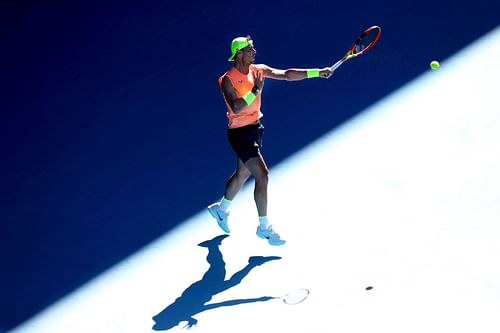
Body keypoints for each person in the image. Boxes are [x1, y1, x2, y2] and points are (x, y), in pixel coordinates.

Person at [208, 35, 332, 246]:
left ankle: (220, 209)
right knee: (262, 176)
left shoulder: (258, 70)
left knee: (242, 173)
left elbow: (285, 75)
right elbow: (237, 107)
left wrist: (317, 73)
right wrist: (256, 89)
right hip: (239, 133)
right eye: (250, 48)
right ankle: (264, 228)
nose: (254, 51)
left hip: (255, 128)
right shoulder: (227, 79)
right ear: (239, 53)